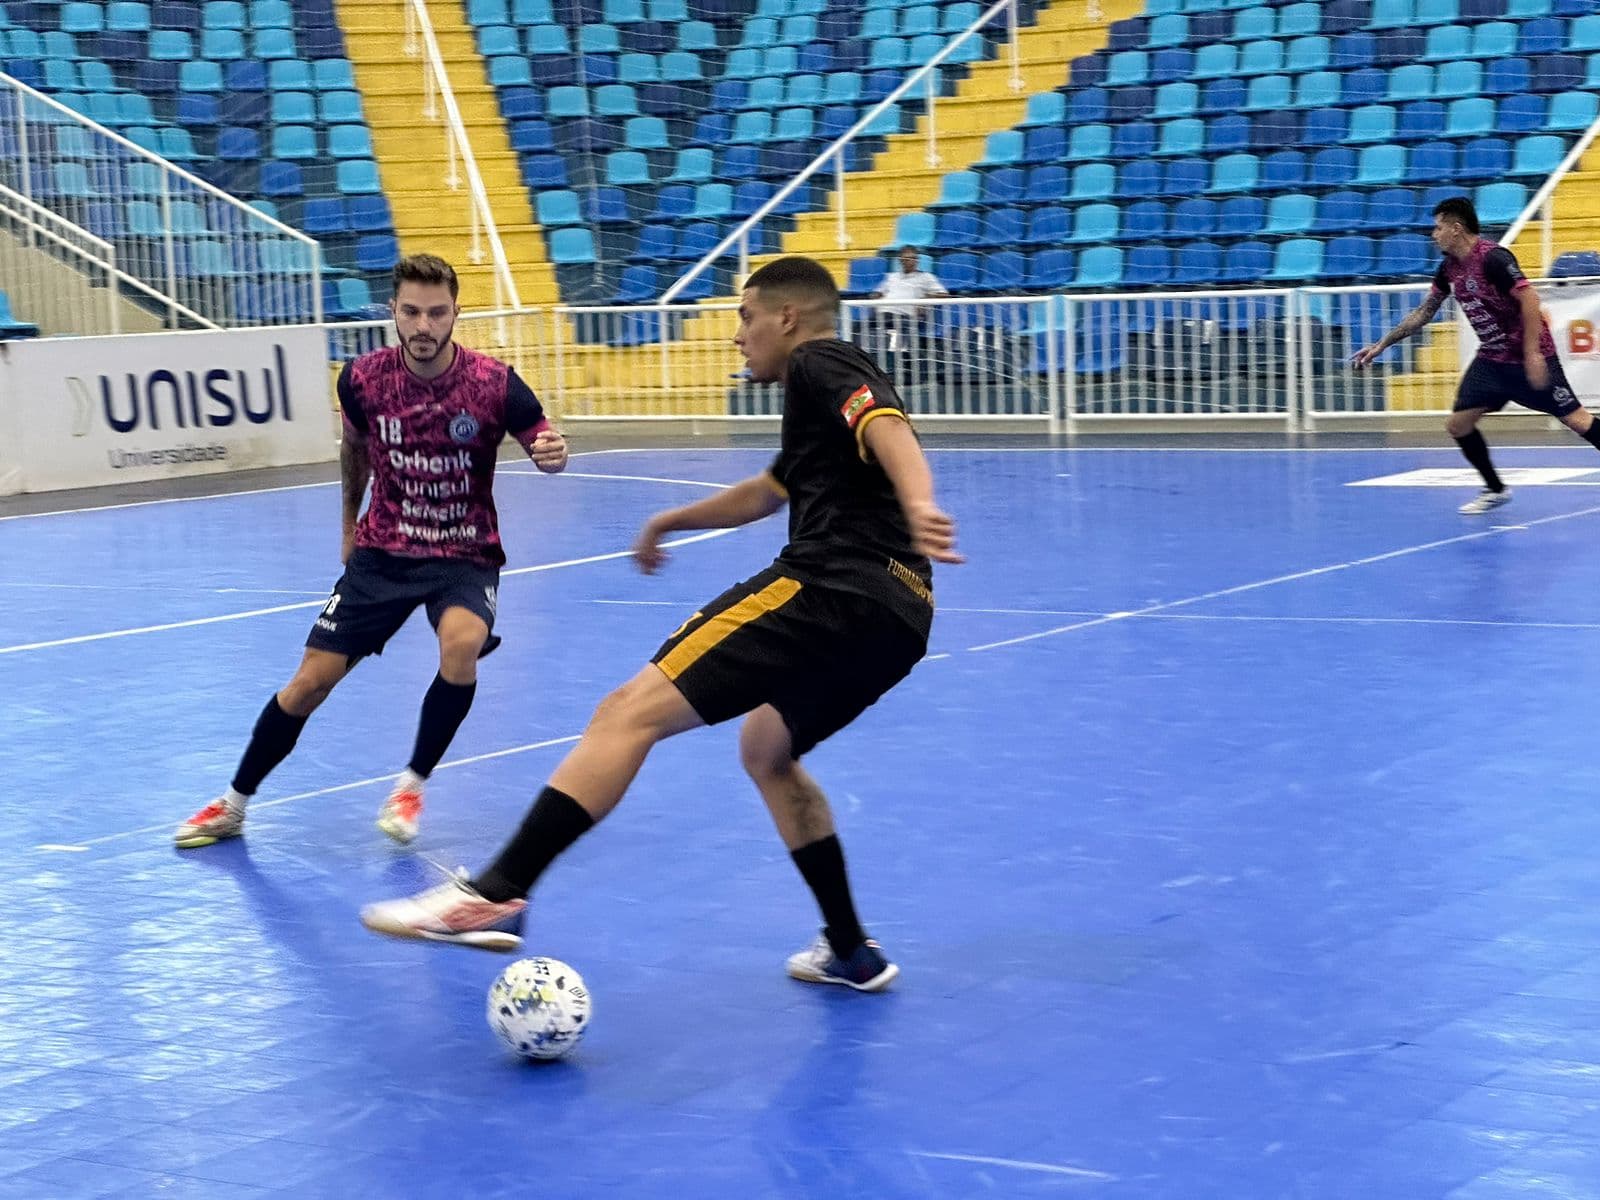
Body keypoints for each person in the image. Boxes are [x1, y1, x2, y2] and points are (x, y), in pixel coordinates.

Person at [360, 256, 962, 993]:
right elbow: (768, 493)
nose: (738, 336)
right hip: (901, 619)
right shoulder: (812, 412)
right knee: (767, 748)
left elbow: (887, 425)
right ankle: (849, 950)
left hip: (832, 587)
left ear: (787, 317)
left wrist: (923, 498)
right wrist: (673, 519)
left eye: (745, 318)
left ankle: (495, 893)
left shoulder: (819, 361)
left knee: (627, 712)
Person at [173, 254, 568, 849]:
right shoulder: (362, 380)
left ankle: (411, 785)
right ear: (393, 312)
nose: (423, 326)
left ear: (456, 313)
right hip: (383, 552)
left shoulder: (493, 383)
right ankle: (233, 804)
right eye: (411, 312)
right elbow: (353, 450)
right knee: (308, 683)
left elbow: (540, 434)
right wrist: (347, 525)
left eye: (437, 313)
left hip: (464, 555)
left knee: (461, 647)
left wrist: (550, 452)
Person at [1353, 196, 1600, 514]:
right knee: (1458, 425)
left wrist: (1533, 355)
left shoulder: (1493, 259)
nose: (1433, 234)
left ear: (1456, 229)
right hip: (1492, 362)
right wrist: (1382, 344)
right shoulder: (1448, 269)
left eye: (1438, 227)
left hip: (1530, 358)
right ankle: (1495, 489)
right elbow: (1425, 311)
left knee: (1578, 421)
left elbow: (1530, 299)